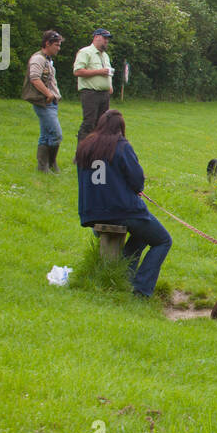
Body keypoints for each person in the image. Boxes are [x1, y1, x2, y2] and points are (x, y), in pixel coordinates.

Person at [75, 109, 171, 299]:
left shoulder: (85, 146)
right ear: (120, 127)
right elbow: (137, 182)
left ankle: (124, 276)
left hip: (91, 212)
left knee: (143, 235)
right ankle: (142, 290)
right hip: (122, 211)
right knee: (163, 240)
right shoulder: (120, 146)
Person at [25, 30, 64, 173]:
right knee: (56, 134)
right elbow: (34, 78)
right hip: (44, 102)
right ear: (47, 43)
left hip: (51, 103)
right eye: (56, 45)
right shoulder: (38, 59)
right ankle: (51, 163)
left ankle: (43, 167)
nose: (58, 48)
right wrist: (49, 94)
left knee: (45, 135)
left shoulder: (47, 59)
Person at [74, 28, 114, 143]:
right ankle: (81, 154)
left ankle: (95, 153)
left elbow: (108, 72)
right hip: (90, 93)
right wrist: (99, 72)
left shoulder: (105, 56)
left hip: (104, 94)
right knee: (89, 123)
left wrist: (109, 86)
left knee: (102, 125)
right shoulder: (85, 52)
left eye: (108, 39)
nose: (106, 41)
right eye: (104, 38)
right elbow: (77, 71)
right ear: (96, 37)